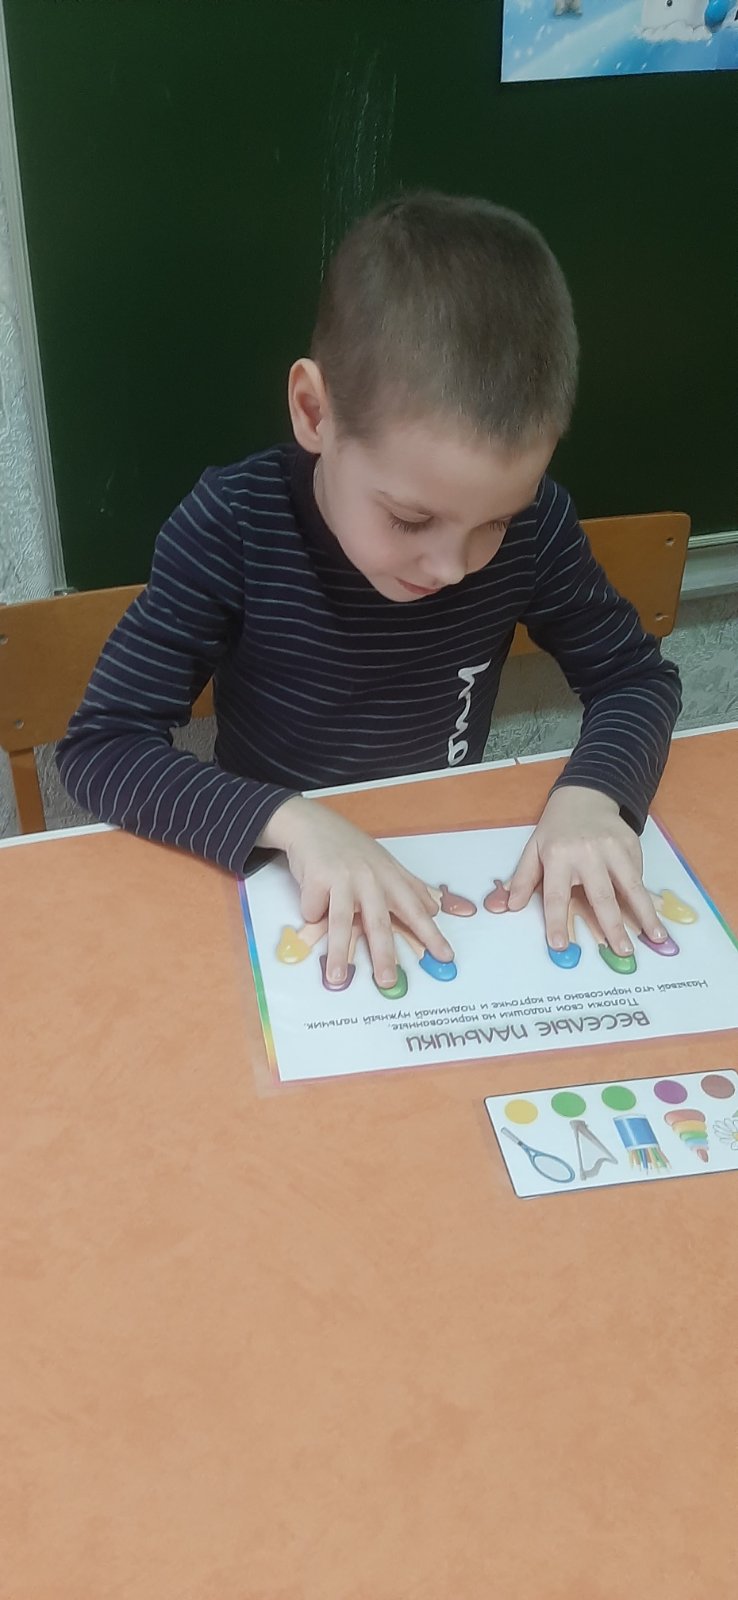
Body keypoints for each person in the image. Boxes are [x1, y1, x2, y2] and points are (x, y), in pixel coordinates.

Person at [57, 191, 681, 990]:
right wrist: (290, 823)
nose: (452, 566)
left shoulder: (535, 527)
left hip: (444, 860)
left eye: (493, 522)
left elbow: (634, 679)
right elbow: (103, 746)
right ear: (315, 413)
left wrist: (595, 795)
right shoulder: (234, 525)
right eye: (410, 519)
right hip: (286, 872)